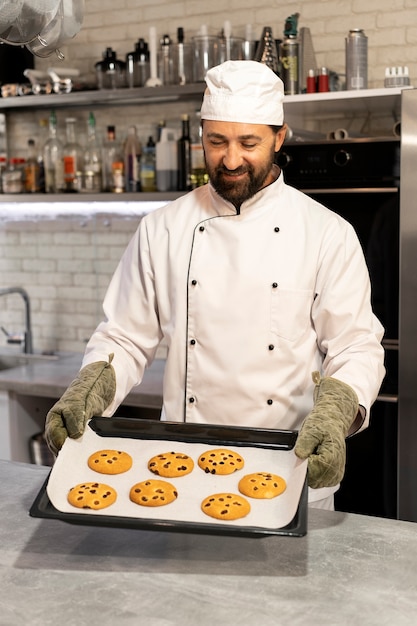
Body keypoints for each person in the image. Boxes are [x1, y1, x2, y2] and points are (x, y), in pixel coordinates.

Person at [45, 60, 385, 510]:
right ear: (200, 135)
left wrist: (337, 411)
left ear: (279, 138)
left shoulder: (327, 233)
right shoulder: (161, 229)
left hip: (290, 468)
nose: (230, 159)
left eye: (249, 143)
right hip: (182, 469)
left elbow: (356, 346)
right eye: (216, 141)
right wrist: (91, 387)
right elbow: (125, 336)